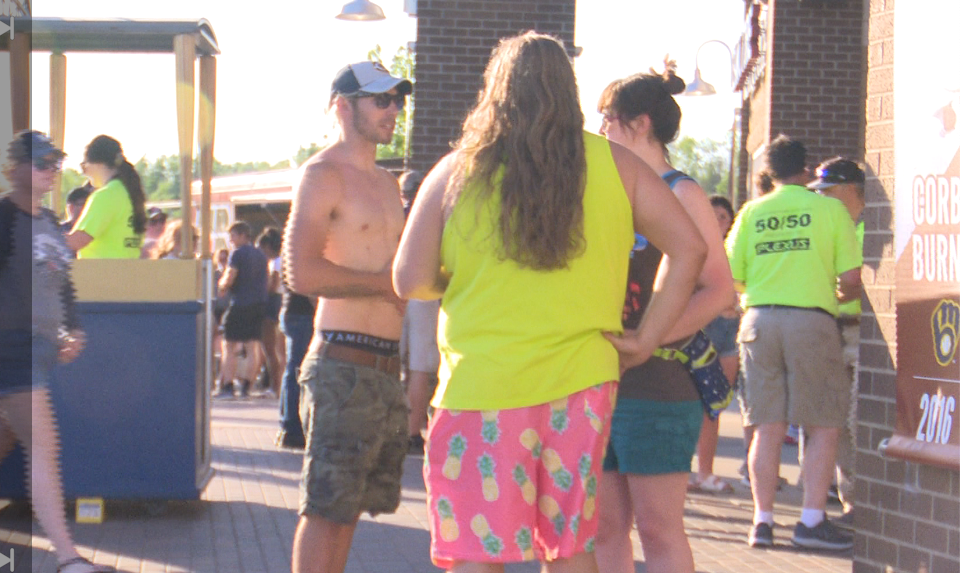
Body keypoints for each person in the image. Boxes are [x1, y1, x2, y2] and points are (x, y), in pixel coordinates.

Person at [394, 33, 707, 573]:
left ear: (494, 90)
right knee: (570, 546)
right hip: (583, 383)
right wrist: (648, 336)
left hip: (481, 385)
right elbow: (691, 249)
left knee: (479, 550)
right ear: (570, 90)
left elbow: (410, 280)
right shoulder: (617, 166)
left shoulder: (456, 171)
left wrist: (470, 278)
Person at [592, 65, 734, 573]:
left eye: (607, 118)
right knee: (604, 529)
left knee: (657, 527)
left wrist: (648, 339)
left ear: (640, 123)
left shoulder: (682, 192)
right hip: (602, 378)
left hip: (660, 381)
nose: (600, 129)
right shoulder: (609, 189)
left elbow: (718, 288)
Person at [284, 60, 412, 573]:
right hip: (342, 364)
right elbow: (301, 273)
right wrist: (385, 285)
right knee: (325, 510)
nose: (394, 109)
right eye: (381, 99)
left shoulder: (386, 181)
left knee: (349, 510)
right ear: (343, 106)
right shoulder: (322, 174)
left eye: (397, 99)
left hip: (384, 369)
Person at [726, 135, 861, 550]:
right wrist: (828, 294)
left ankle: (762, 522)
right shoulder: (828, 210)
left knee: (766, 427)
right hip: (811, 320)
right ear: (806, 170)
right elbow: (852, 280)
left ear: (767, 172)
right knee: (823, 424)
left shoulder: (751, 212)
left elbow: (733, 273)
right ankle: (810, 521)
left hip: (758, 320)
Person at [0, 130, 114, 573]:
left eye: (56, 163)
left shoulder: (48, 222)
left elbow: (62, 283)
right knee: (44, 446)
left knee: (12, 440)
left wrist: (73, 329)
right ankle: (68, 558)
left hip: (38, 350)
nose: (51, 171)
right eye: (42, 162)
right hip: (13, 351)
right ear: (15, 170)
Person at [807, 157, 866, 529]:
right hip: (834, 330)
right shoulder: (832, 226)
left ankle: (870, 501)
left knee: (859, 419)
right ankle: (851, 503)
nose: (823, 198)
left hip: (864, 334)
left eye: (828, 191)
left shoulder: (873, 228)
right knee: (838, 424)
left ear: (849, 189)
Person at [690, 195, 741, 494]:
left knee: (715, 403)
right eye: (713, 215)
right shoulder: (690, 243)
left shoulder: (736, 248)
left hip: (727, 328)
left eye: (723, 217)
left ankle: (705, 472)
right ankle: (681, 471)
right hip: (698, 327)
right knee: (686, 401)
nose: (718, 221)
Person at [397, 170, 440, 454]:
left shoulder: (392, 215)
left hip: (393, 293)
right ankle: (413, 433)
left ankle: (393, 427)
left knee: (395, 363)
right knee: (420, 367)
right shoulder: (432, 216)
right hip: (425, 293)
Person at [65, 135, 146, 258]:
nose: (83, 173)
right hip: (130, 272)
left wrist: (40, 239)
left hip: (102, 273)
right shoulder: (132, 194)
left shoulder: (105, 196)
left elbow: (78, 241)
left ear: (97, 164)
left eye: (84, 166)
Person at [216, 221, 268, 398]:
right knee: (252, 344)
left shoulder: (237, 254)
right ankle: (247, 385)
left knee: (229, 345)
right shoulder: (260, 255)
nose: (231, 240)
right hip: (258, 303)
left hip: (240, 303)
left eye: (233, 236)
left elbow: (230, 275)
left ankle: (228, 386)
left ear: (242, 235)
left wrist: (222, 286)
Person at [256, 226, 286, 399]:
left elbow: (272, 286)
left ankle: (274, 386)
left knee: (270, 349)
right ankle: (278, 386)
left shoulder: (275, 263)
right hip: (283, 302)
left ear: (267, 246)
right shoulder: (285, 259)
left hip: (273, 302)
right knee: (281, 350)